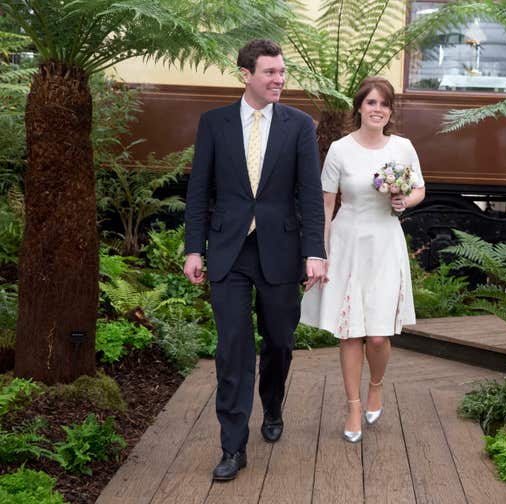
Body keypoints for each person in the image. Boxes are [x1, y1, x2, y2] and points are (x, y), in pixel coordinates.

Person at [183, 39, 327, 481]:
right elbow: (199, 192)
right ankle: (232, 447)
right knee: (233, 350)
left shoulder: (300, 126)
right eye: (270, 72)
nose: (279, 79)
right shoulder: (214, 123)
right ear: (245, 73)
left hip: (281, 252)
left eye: (282, 72)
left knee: (279, 342)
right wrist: (193, 248)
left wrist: (314, 251)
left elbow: (309, 194)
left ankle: (274, 402)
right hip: (229, 252)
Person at [300, 76, 425, 443]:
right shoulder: (340, 149)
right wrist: (318, 252)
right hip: (347, 241)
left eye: (384, 104)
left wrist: (406, 201)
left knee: (376, 335)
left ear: (390, 112)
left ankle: (376, 384)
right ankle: (353, 405)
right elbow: (325, 204)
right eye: (371, 103)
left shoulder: (403, 147)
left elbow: (419, 188)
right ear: (359, 107)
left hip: (385, 242)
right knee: (350, 331)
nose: (377, 110)